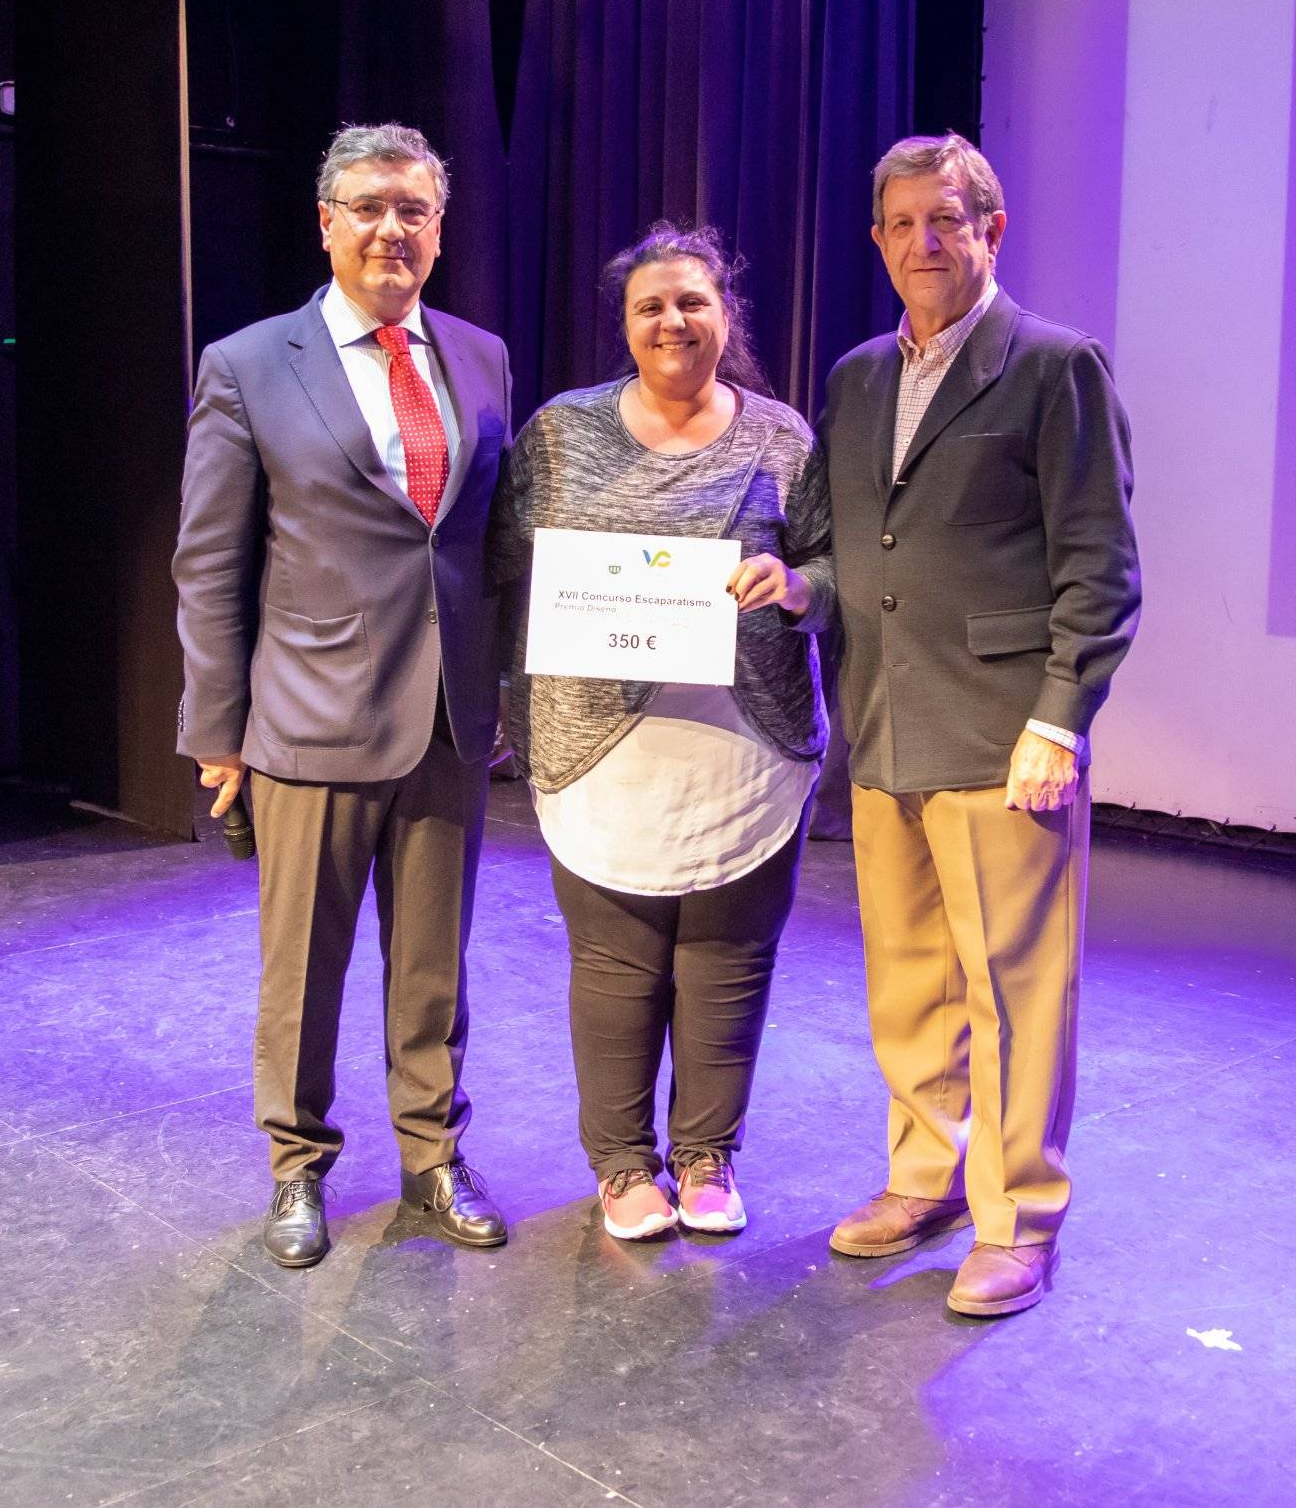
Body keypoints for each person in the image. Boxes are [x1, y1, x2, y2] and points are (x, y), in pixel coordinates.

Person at [172, 122, 513, 1269]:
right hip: (307, 723)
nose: (390, 229)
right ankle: (298, 1169)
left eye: (412, 210)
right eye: (367, 206)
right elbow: (210, 563)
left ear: (438, 227)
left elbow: (485, 541)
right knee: (302, 976)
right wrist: (217, 733)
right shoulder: (251, 363)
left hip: (447, 722)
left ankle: (431, 1160)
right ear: (325, 223)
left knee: (434, 969)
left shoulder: (480, 356)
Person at [819, 134, 1139, 1317]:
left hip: (1005, 737)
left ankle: (1019, 1217)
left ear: (989, 232)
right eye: (899, 225)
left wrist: (1060, 720)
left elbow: (1098, 566)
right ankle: (924, 1177)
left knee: (1017, 989)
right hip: (885, 723)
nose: (921, 245)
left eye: (944, 222)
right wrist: (797, 583)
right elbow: (835, 539)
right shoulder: (855, 379)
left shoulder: (1056, 368)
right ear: (877, 241)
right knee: (907, 979)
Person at [491, 223, 833, 1241]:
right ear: (625, 325)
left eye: (692, 302)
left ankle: (707, 1155)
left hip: (746, 745)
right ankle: (623, 1166)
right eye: (650, 306)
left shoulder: (780, 436)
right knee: (613, 964)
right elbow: (505, 566)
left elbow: (836, 567)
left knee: (728, 959)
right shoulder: (560, 432)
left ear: (726, 316)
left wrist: (801, 584)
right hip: (600, 747)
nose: (672, 321)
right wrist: (504, 701)